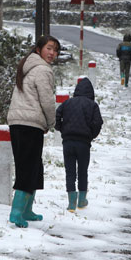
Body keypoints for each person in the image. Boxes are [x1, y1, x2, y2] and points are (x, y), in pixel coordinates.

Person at [6, 35, 60, 227]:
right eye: (49, 48)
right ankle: (17, 212)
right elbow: (46, 100)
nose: (52, 53)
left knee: (33, 167)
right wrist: (51, 122)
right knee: (29, 168)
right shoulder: (43, 70)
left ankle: (27, 210)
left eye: (55, 50)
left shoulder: (27, 66)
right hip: (30, 124)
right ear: (39, 49)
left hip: (18, 122)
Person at [55, 78, 103, 212]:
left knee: (69, 172)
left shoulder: (67, 103)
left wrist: (62, 129)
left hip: (68, 142)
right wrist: (90, 135)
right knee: (82, 172)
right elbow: (98, 123)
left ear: (76, 91)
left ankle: (71, 203)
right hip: (83, 144)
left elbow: (57, 116)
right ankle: (82, 200)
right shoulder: (93, 105)